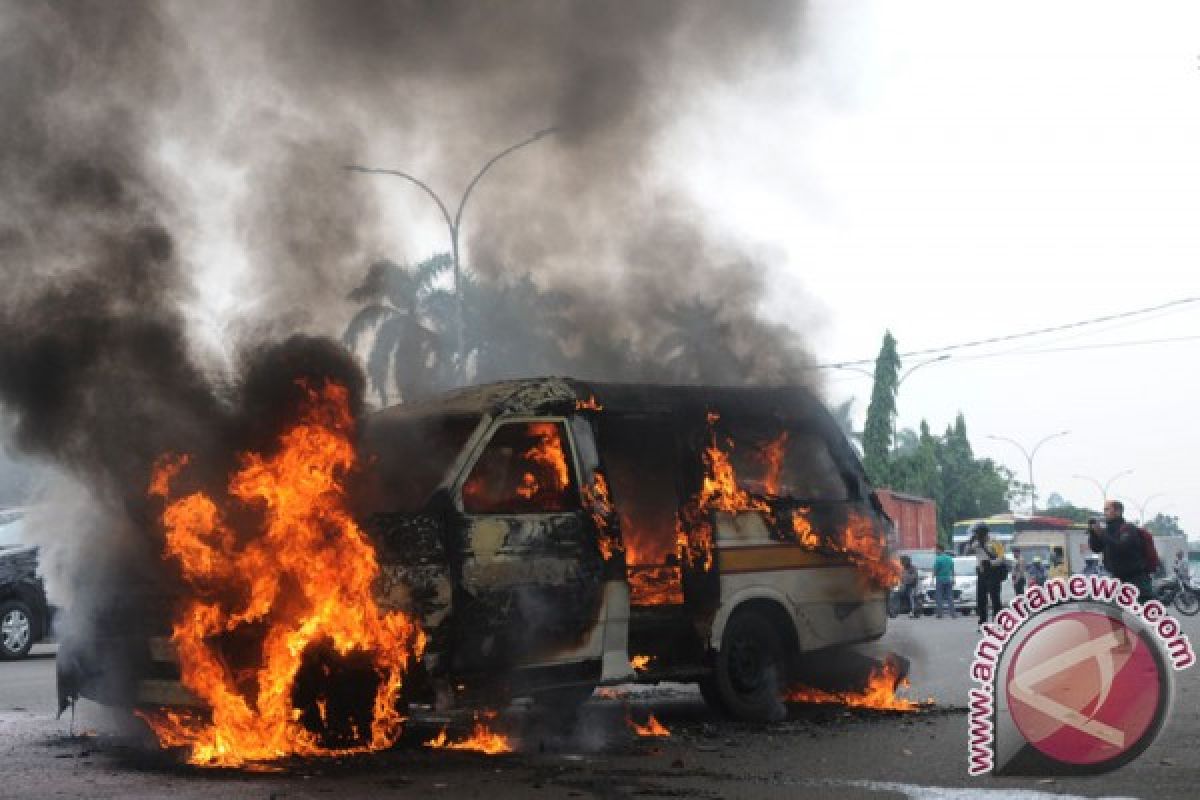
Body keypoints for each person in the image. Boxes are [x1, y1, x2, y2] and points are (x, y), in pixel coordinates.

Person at [1087, 501, 1155, 603]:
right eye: (1104, 510)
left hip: (1136, 580)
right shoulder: (1107, 531)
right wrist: (1093, 532)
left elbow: (1121, 547)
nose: (1104, 513)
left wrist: (1101, 533)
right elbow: (1096, 548)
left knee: (1150, 611)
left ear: (1118, 511)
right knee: (1114, 614)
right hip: (1117, 579)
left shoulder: (1128, 528)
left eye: (1107, 509)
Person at [968, 523, 1003, 628]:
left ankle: (997, 622)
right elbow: (969, 550)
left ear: (983, 533)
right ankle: (982, 622)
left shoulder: (995, 543)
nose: (976, 535)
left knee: (995, 599)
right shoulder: (976, 544)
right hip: (982, 573)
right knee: (981, 599)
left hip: (993, 572)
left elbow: (1001, 558)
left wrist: (990, 563)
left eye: (977, 533)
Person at [932, 543, 956, 618]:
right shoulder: (949, 558)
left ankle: (939, 614)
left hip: (940, 579)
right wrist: (953, 578)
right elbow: (952, 570)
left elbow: (935, 570)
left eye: (936, 550)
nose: (935, 551)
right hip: (948, 579)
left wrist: (932, 578)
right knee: (950, 597)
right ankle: (953, 614)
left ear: (939, 549)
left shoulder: (938, 559)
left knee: (939, 597)